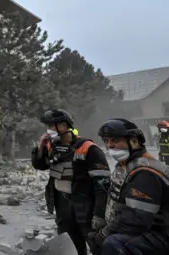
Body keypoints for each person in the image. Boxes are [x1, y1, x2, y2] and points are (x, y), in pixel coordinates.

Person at [89, 118, 169, 255]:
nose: (110, 145)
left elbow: (136, 218)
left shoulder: (145, 172)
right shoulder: (127, 164)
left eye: (115, 141)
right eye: (106, 141)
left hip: (168, 233)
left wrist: (104, 234)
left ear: (133, 141)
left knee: (114, 244)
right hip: (151, 224)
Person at [31, 109, 110, 255]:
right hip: (62, 205)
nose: (49, 130)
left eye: (52, 126)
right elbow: (40, 165)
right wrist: (40, 147)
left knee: (96, 245)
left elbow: (102, 185)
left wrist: (99, 214)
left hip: (85, 206)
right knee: (71, 246)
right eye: (48, 126)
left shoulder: (88, 148)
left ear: (63, 125)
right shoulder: (52, 146)